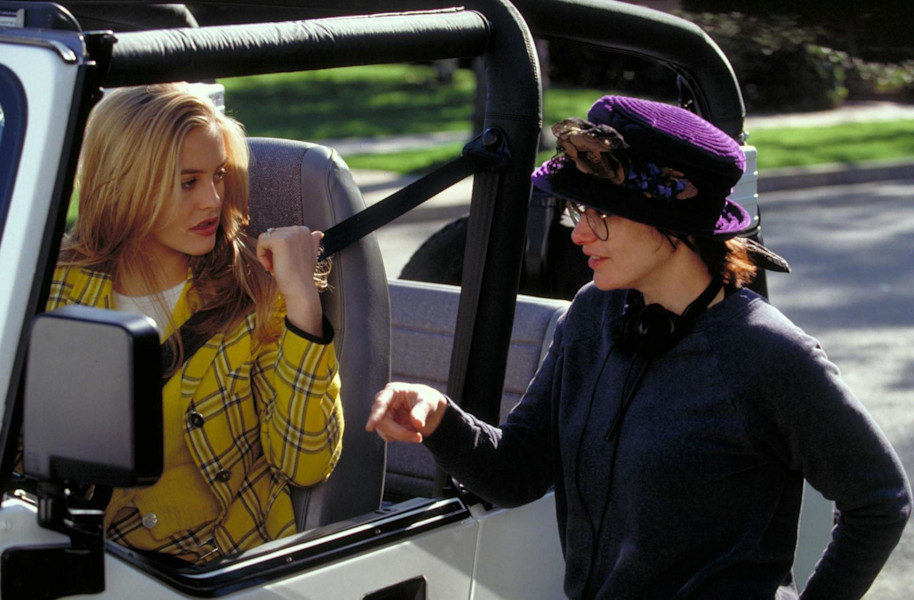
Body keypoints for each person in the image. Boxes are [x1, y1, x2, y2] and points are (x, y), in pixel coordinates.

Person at [366, 95, 911, 599]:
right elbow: (518, 472)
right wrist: (439, 418)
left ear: (673, 223)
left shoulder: (767, 354)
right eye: (580, 212)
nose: (579, 234)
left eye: (602, 215)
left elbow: (880, 501)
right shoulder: (593, 314)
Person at [48, 83, 343, 563]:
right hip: (78, 558)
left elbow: (305, 463)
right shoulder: (53, 285)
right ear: (125, 183)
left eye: (219, 176)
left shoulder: (257, 293)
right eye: (188, 182)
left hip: (210, 572)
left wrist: (303, 303)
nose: (212, 200)